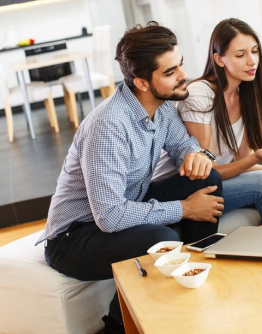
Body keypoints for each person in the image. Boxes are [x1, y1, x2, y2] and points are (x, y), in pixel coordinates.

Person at [37, 22, 224, 334]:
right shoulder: (109, 125)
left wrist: (197, 155)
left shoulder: (161, 105)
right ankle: (116, 327)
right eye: (169, 72)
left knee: (207, 178)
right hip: (74, 238)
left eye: (180, 65)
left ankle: (189, 286)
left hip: (122, 209)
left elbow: (183, 145)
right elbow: (109, 217)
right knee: (160, 238)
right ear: (141, 81)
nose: (182, 76)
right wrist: (186, 209)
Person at [177, 18, 262, 227]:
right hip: (199, 187)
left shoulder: (245, 95)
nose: (252, 61)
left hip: (225, 181)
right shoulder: (200, 94)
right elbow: (209, 172)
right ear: (219, 59)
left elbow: (241, 164)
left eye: (255, 51)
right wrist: (256, 157)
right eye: (240, 55)